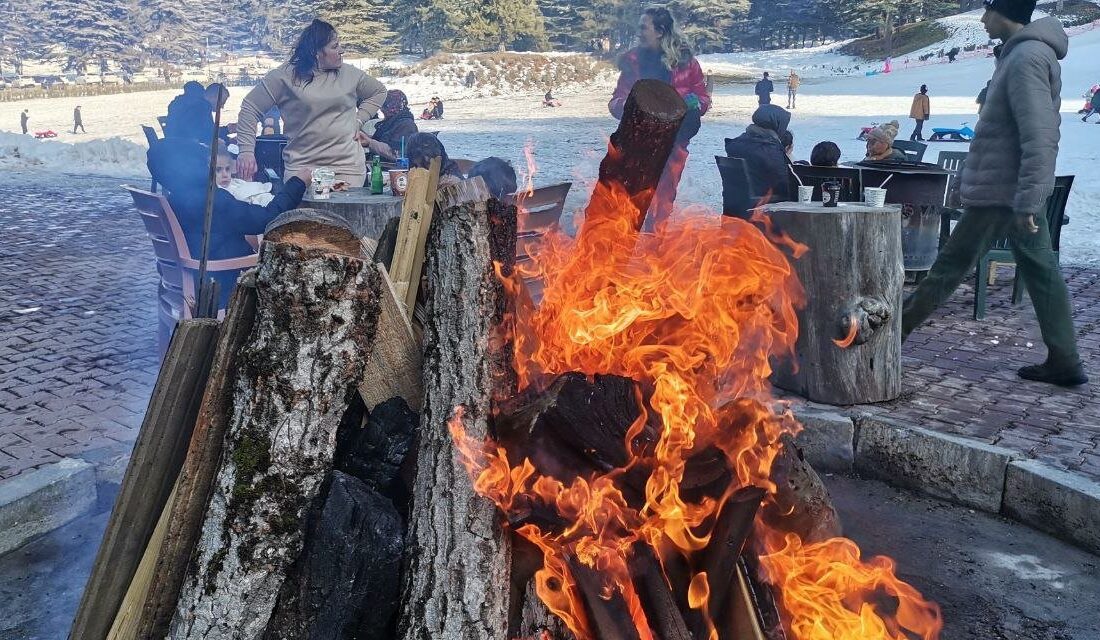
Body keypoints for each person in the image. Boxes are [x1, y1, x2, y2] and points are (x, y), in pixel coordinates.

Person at [902, 0, 1086, 386]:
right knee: (1041, 271)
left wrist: (1031, 199)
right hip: (1009, 190)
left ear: (1005, 12)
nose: (983, 20)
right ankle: (1065, 359)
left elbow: (1040, 135)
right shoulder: (1019, 56)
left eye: (988, 12)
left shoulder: (1026, 60)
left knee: (948, 266)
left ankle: (892, 335)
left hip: (1003, 192)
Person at [147, 138, 310, 308]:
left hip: (189, 280)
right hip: (221, 284)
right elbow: (267, 218)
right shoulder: (210, 200)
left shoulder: (177, 197)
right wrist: (297, 183)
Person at [234, 19, 387, 187]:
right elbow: (250, 108)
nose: (341, 51)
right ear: (316, 52)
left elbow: (379, 91)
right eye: (335, 47)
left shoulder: (349, 74)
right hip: (302, 170)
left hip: (348, 168)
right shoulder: (284, 76)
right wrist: (246, 151)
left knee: (345, 213)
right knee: (305, 214)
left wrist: (359, 119)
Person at [609, 6, 710, 227]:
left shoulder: (686, 63)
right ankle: (624, 247)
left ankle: (655, 249)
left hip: (674, 143)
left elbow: (703, 98)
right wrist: (626, 105)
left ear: (660, 31)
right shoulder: (633, 62)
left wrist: (695, 103)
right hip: (637, 143)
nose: (638, 32)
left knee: (662, 201)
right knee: (631, 199)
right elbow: (616, 101)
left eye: (644, 27)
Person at [724, 104, 792, 202]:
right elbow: (784, 183)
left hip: (736, 203)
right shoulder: (769, 149)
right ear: (777, 125)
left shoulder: (736, 143)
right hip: (763, 205)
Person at [359, 89, 418, 161]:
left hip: (392, 170)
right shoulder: (390, 122)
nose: (381, 110)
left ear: (392, 107)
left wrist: (370, 142)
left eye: (384, 107)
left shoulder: (406, 125)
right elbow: (383, 140)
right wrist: (365, 137)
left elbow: (396, 153)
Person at [215, 142, 276, 206]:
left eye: (227, 169)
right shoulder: (212, 195)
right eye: (218, 170)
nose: (225, 175)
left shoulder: (237, 183)